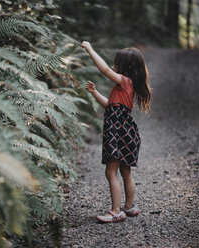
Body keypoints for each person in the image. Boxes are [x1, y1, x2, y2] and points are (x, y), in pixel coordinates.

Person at [81, 41, 151, 223]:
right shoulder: (127, 87)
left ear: (125, 67)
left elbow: (104, 70)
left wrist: (90, 50)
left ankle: (116, 211)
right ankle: (129, 206)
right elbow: (109, 105)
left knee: (110, 172)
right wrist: (95, 92)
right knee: (125, 171)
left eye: (116, 62)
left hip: (117, 133)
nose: (113, 65)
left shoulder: (124, 82)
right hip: (126, 133)